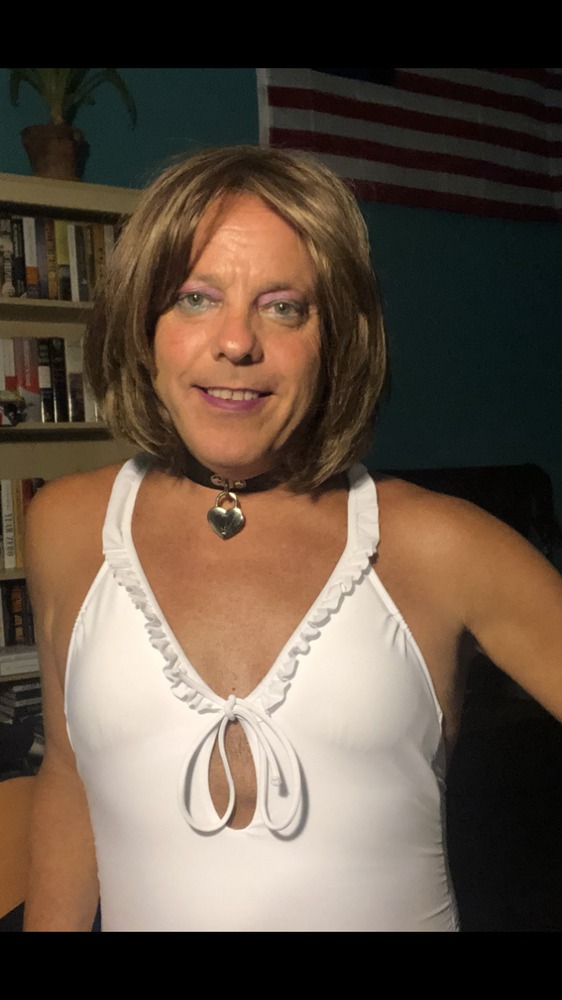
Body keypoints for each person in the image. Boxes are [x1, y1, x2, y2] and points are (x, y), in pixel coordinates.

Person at [23, 145, 562, 932]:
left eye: (284, 307)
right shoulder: (67, 525)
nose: (236, 342)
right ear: (143, 326)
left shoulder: (441, 545)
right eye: (195, 298)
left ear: (336, 338)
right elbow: (71, 780)